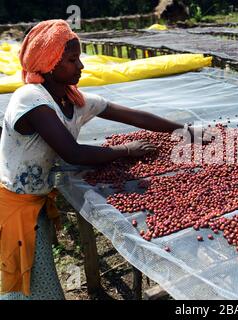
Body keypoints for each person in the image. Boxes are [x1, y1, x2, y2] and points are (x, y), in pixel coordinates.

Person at [0, 19, 195, 300]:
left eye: (79, 58)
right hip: (13, 207)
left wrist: (185, 130)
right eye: (71, 60)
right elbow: (73, 153)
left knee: (32, 283)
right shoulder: (31, 99)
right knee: (32, 288)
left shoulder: (73, 99)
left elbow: (132, 115)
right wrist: (126, 150)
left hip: (34, 201)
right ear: (50, 63)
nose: (80, 66)